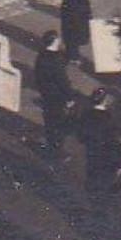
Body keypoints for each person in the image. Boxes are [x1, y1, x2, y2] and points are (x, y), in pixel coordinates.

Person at [34, 31, 78, 159]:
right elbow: (62, 81)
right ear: (54, 41)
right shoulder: (56, 60)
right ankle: (57, 150)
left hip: (46, 94)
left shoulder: (41, 56)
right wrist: (69, 97)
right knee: (59, 123)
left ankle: (51, 145)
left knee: (49, 121)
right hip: (57, 96)